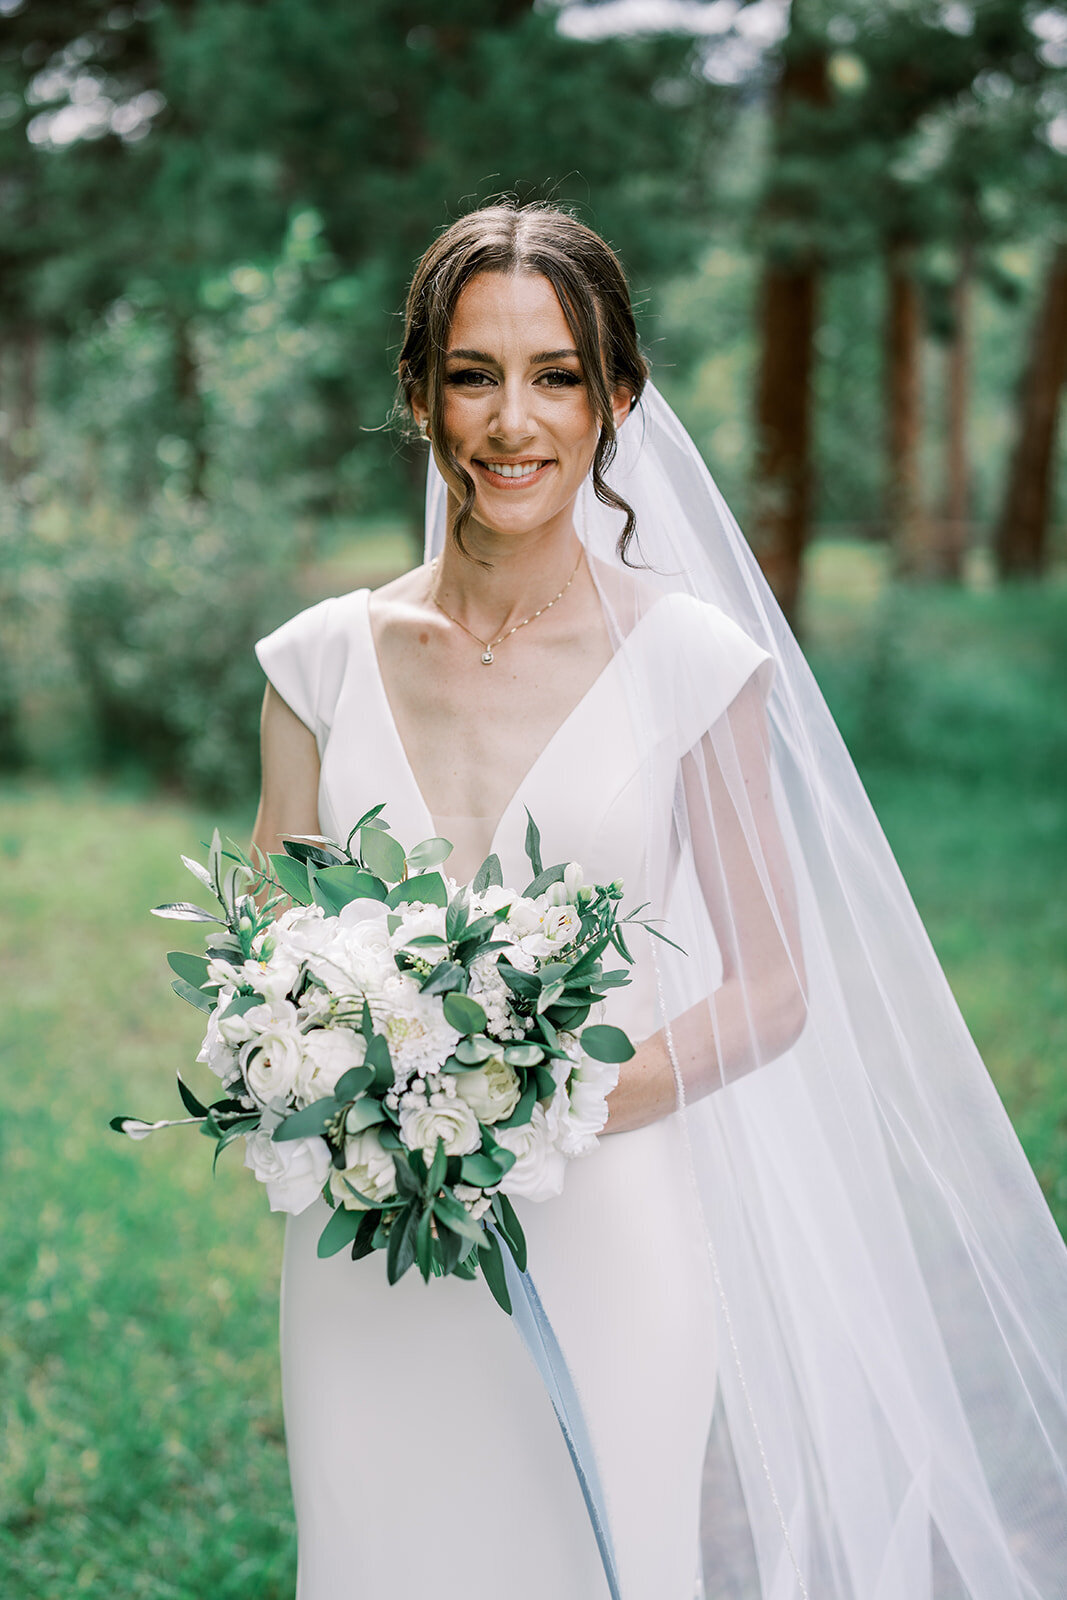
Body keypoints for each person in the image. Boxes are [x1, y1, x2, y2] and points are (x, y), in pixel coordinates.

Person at [252, 202, 1067, 1600]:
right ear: (419, 393)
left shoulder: (696, 666)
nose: (515, 420)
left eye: (557, 374)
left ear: (618, 397)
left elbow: (770, 986)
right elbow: (267, 940)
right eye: (473, 373)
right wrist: (326, 1059)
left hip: (608, 1240)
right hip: (369, 1258)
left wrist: (541, 1099)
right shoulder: (317, 664)